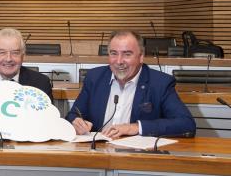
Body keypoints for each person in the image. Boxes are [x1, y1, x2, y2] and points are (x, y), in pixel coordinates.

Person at [66, 30, 196, 138]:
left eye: (127, 54)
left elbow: (186, 124)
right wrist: (76, 122)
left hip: (136, 156)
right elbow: (73, 114)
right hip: (97, 152)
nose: (119, 61)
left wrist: (135, 127)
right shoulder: (94, 78)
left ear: (141, 57)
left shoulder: (160, 83)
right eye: (113, 53)